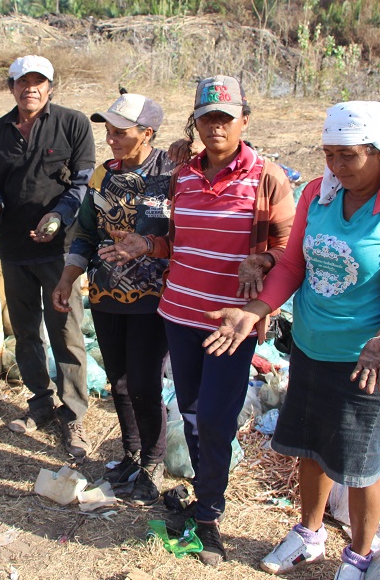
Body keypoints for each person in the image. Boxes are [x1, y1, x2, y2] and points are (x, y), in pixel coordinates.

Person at [202, 101, 380, 580]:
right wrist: (253, 312)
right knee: (310, 449)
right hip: (312, 347)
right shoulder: (319, 193)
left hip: (369, 360)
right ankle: (309, 534)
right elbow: (292, 265)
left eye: (348, 156)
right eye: (328, 154)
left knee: (358, 465)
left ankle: (358, 555)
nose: (335, 166)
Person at [99, 76, 294, 565]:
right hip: (179, 315)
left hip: (232, 326)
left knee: (215, 418)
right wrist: (148, 244)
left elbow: (289, 249)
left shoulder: (266, 177)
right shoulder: (183, 175)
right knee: (189, 412)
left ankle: (208, 517)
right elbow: (178, 243)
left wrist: (263, 262)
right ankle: (200, 499)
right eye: (207, 118)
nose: (216, 127)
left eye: (225, 118)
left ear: (243, 121)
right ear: (197, 123)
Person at [52, 92, 174, 503]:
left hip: (153, 296)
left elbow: (181, 234)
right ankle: (131, 454)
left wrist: (150, 245)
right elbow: (86, 231)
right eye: (108, 130)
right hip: (105, 293)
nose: (111, 139)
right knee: (120, 380)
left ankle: (153, 463)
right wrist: (68, 277)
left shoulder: (172, 174)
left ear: (147, 134)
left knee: (144, 381)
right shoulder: (103, 175)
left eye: (121, 132)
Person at [0, 55, 96, 457]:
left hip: (60, 252)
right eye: (22, 81)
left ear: (50, 86)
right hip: (14, 248)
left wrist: (59, 216)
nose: (31, 88)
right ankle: (40, 403)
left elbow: (82, 184)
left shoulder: (73, 123)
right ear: (11, 88)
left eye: (38, 81)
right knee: (25, 333)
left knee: (66, 331)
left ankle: (74, 416)